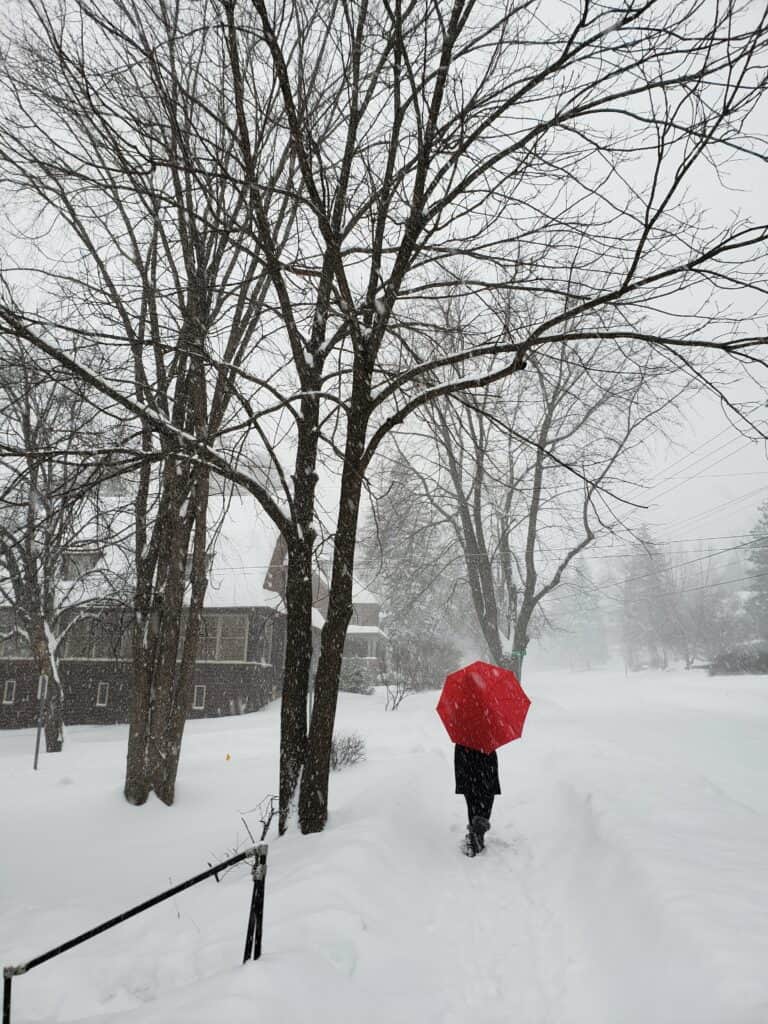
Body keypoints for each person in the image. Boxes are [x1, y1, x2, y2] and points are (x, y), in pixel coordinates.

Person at [454, 743, 500, 856]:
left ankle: (475, 833)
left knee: (473, 796)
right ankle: (477, 833)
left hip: (465, 754)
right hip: (484, 754)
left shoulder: (462, 729)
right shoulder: (489, 732)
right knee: (484, 797)